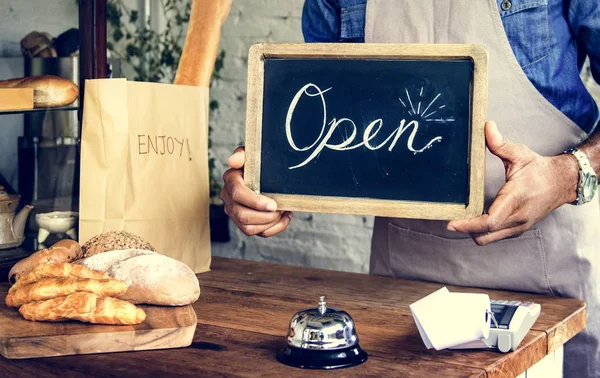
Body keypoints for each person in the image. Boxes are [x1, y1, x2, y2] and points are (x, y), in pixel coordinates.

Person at [220, 0, 600, 376]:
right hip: (404, 278)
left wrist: (568, 175)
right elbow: (321, 102)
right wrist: (261, 176)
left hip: (550, 266)